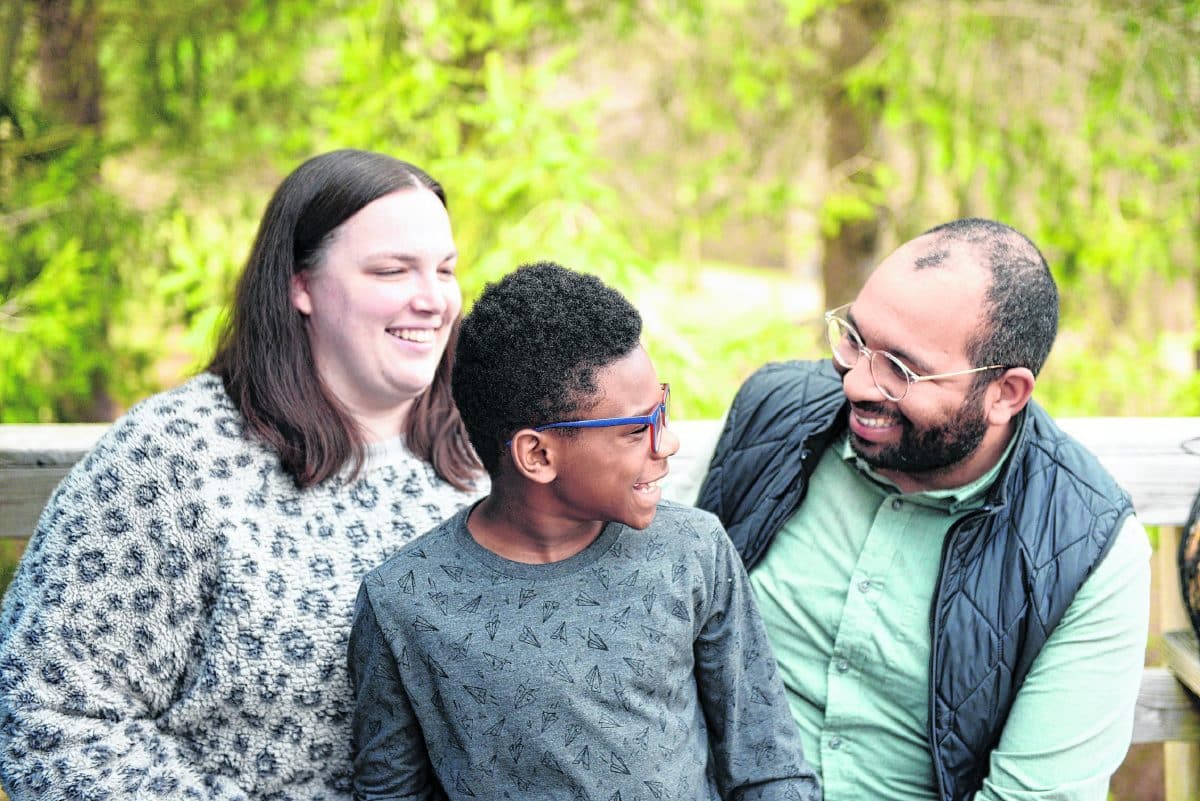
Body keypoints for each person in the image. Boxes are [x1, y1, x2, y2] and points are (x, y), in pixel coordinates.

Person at [0, 149, 485, 800]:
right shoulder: (176, 460)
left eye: (445, 270)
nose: (432, 299)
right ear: (299, 284)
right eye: (393, 270)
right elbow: (43, 713)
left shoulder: (494, 451)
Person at [691, 218, 1151, 801]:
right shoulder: (775, 412)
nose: (857, 383)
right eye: (855, 339)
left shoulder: (1088, 550)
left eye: (901, 370)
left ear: (1005, 394)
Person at [347, 262, 821, 800]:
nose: (665, 445)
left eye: (660, 411)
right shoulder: (402, 602)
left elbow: (768, 766)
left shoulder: (694, 550)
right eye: (634, 430)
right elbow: (389, 792)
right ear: (538, 454)